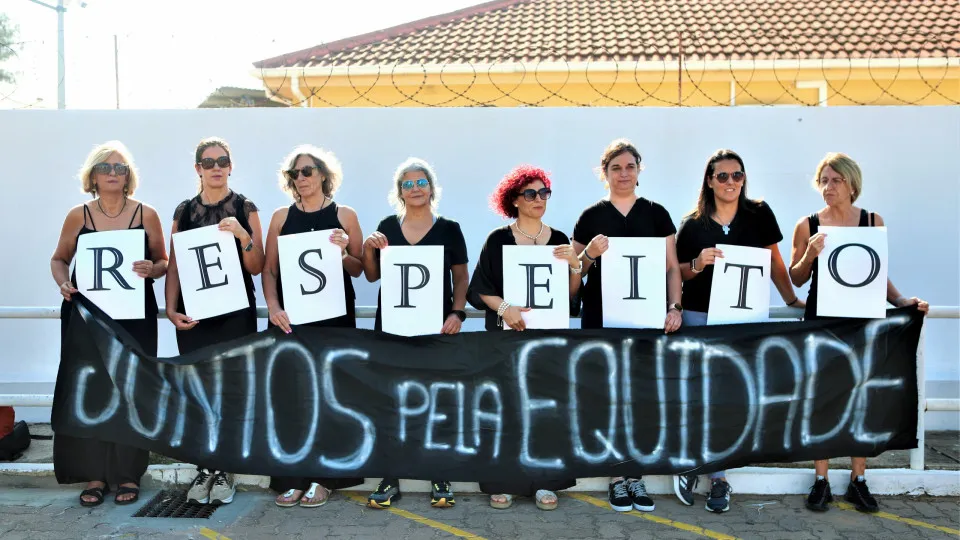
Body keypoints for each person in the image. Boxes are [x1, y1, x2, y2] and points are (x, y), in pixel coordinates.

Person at [789, 152, 928, 514]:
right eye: (823, 180)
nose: (828, 187)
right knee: (823, 398)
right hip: (822, 321)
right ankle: (821, 480)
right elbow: (796, 277)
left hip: (863, 320)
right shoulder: (807, 224)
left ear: (852, 185)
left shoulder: (871, 221)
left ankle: (858, 480)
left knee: (861, 398)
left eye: (836, 180)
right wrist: (810, 254)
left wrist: (901, 300)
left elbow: (877, 272)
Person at [673, 149, 804, 513]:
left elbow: (774, 261)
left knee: (729, 399)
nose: (730, 182)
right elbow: (677, 272)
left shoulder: (759, 213)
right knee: (700, 397)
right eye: (722, 176)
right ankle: (694, 467)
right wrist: (697, 263)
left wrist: (791, 300)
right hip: (699, 317)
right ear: (709, 181)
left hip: (741, 320)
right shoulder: (692, 224)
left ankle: (717, 475)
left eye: (737, 175)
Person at [50, 141, 168, 507]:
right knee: (92, 392)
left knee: (132, 392)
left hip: (135, 320)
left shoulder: (146, 214)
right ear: (93, 176)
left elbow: (164, 261)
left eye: (120, 167)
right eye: (105, 167)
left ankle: (128, 474)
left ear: (129, 175)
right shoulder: (78, 215)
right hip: (88, 320)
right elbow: (59, 259)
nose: (113, 173)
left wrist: (153, 269)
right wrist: (63, 283)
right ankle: (95, 475)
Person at [570, 138, 681, 513]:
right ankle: (616, 477)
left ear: (639, 170)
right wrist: (589, 254)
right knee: (608, 396)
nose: (623, 173)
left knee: (641, 397)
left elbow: (671, 268)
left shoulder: (656, 213)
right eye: (615, 167)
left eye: (630, 166)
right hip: (601, 318)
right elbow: (573, 276)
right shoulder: (590, 216)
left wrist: (674, 306)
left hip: (646, 320)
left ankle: (636, 475)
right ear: (604, 173)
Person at [467, 165, 581, 511]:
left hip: (547, 340)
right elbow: (479, 288)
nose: (538, 199)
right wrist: (505, 308)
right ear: (514, 200)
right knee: (507, 409)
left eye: (544, 192)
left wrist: (575, 265)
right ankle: (504, 482)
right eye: (530, 193)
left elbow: (570, 297)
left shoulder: (559, 239)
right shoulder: (498, 239)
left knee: (545, 408)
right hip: (506, 339)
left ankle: (545, 481)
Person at [361, 158, 469, 509]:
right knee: (391, 400)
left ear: (432, 188)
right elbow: (371, 276)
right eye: (407, 184)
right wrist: (368, 248)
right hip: (392, 328)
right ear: (400, 192)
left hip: (436, 329)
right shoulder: (386, 227)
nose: (415, 188)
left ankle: (439, 474)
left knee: (436, 401)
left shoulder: (449, 228)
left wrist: (457, 312)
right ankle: (390, 476)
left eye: (421, 182)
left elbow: (461, 278)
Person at [262, 145, 365, 508]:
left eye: (307, 171)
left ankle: (325, 478)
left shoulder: (345, 215)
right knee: (294, 396)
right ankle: (293, 477)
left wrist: (345, 251)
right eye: (294, 174)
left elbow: (360, 269)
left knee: (331, 395)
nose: (301, 178)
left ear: (323, 174)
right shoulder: (280, 217)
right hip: (292, 320)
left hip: (335, 319)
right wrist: (273, 307)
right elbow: (269, 270)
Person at [165, 137, 265, 505]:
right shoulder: (184, 211)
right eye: (208, 162)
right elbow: (175, 263)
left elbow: (258, 265)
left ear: (231, 166)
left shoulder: (245, 207)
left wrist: (242, 235)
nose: (216, 168)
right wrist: (170, 308)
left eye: (222, 161)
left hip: (235, 311)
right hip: (196, 313)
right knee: (198, 390)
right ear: (198, 169)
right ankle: (205, 466)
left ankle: (225, 469)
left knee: (232, 388)